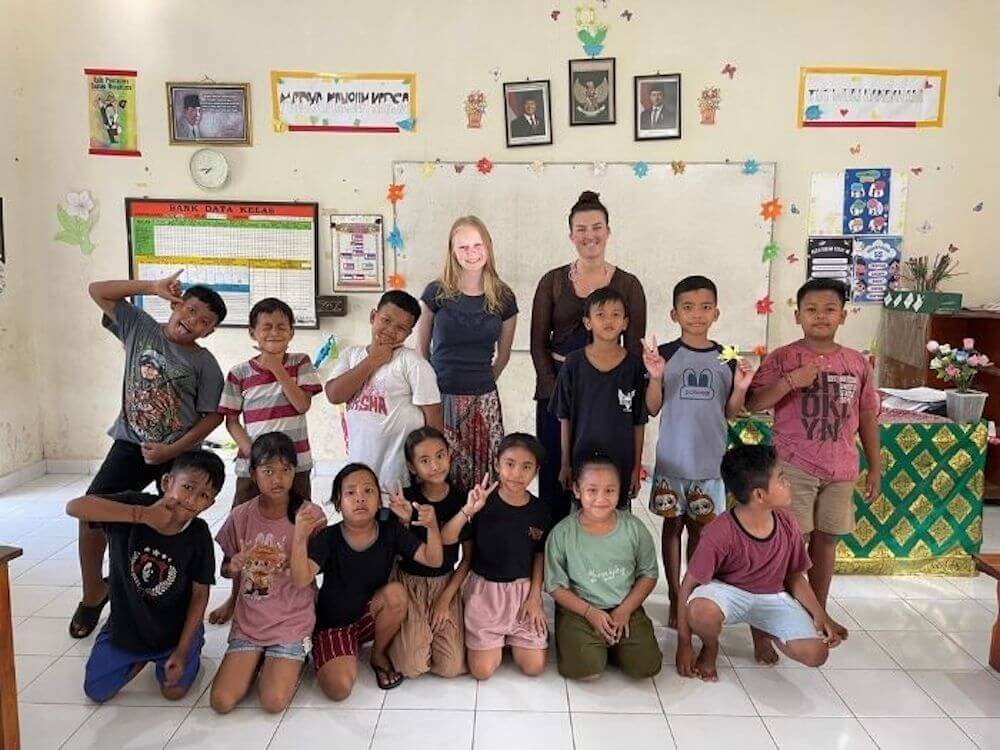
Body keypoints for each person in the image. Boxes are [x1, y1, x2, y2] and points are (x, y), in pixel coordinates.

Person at [70, 270, 226, 639]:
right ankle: (94, 591)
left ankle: (162, 599)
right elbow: (97, 289)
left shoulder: (205, 364)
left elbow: (213, 416)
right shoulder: (140, 327)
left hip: (179, 453)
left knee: (173, 523)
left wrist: (173, 450)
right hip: (130, 444)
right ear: (176, 306)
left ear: (209, 332)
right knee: (92, 513)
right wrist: (150, 288)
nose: (193, 321)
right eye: (190, 310)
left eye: (204, 321)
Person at [746, 278, 880, 648]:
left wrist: (876, 467)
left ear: (843, 315)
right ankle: (777, 613)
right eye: (812, 309)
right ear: (797, 315)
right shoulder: (784, 358)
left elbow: (867, 416)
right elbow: (753, 403)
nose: (820, 316)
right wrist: (791, 381)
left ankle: (817, 611)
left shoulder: (856, 363)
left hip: (841, 469)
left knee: (826, 543)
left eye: (829, 309)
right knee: (789, 544)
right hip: (793, 468)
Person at [65, 449, 225, 703]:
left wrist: (182, 651)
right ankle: (137, 658)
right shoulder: (133, 504)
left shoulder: (198, 534)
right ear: (166, 483)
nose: (191, 499)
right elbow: (75, 507)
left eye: (203, 495)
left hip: (173, 632)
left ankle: (189, 643)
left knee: (174, 692)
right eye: (187, 487)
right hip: (127, 624)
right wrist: (141, 515)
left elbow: (199, 595)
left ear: (210, 504)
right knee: (96, 691)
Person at [643, 275, 754, 628]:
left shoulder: (727, 358)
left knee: (702, 533)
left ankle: (692, 593)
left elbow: (731, 412)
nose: (696, 315)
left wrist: (740, 388)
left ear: (716, 313)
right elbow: (651, 408)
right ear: (674, 314)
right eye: (687, 308)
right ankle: (675, 598)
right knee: (672, 527)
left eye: (705, 307)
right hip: (673, 462)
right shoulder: (664, 355)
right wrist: (656, 378)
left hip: (711, 466)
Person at [675, 444, 841, 681]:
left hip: (771, 597)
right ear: (760, 495)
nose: (788, 484)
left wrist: (819, 615)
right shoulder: (719, 532)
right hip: (729, 594)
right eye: (782, 479)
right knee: (701, 611)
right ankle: (710, 646)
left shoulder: (787, 522)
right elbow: (688, 585)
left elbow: (795, 576)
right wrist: (684, 644)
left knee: (816, 654)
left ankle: (763, 630)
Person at [531, 191, 647, 522]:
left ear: (608, 231)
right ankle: (556, 555)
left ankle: (607, 553)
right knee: (558, 474)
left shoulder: (628, 284)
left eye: (596, 227)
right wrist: (558, 391)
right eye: (581, 229)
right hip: (559, 391)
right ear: (571, 235)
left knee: (606, 480)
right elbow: (538, 343)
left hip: (609, 396)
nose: (589, 235)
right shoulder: (552, 281)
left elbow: (635, 349)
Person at [209, 297, 322, 625]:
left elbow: (301, 405)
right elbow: (231, 421)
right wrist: (252, 455)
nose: (274, 332)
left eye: (281, 327)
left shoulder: (301, 363)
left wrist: (276, 368)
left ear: (291, 332)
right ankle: (235, 596)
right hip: (251, 468)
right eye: (266, 327)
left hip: (295, 466)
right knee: (242, 530)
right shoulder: (239, 372)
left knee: (302, 525)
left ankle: (307, 588)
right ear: (252, 332)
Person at [290, 463, 443, 697]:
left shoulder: (390, 529)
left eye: (368, 491)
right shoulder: (329, 537)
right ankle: (333, 651)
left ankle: (378, 654)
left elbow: (433, 560)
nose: (360, 498)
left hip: (370, 617)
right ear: (338, 503)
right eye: (350, 493)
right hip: (335, 625)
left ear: (379, 501)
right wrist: (300, 539)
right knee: (338, 689)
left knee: (395, 594)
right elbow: (301, 581)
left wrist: (432, 526)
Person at [209, 433, 322, 714]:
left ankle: (290, 657)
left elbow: (315, 573)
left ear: (294, 472)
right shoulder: (241, 516)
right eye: (268, 470)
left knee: (273, 702)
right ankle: (258, 658)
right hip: (250, 622)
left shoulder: (310, 515)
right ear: (254, 473)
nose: (278, 479)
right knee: (221, 702)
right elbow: (226, 568)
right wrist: (233, 565)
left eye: (285, 470)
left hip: (291, 620)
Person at [416, 217, 517, 491]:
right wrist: (435, 390)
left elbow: (503, 356)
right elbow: (422, 351)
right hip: (440, 398)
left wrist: (479, 382)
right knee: (441, 478)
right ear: (452, 251)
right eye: (463, 247)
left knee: (484, 478)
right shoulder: (435, 293)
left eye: (477, 245)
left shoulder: (504, 296)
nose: (471, 253)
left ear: (488, 247)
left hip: (483, 401)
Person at [442, 433, 550, 680]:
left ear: (536, 471)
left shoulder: (540, 510)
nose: (517, 473)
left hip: (522, 594)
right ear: (497, 463)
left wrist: (534, 597)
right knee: (482, 672)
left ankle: (515, 636)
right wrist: (468, 511)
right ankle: (497, 637)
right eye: (510, 464)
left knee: (534, 667)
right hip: (485, 593)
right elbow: (448, 539)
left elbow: (539, 555)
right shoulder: (482, 503)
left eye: (526, 467)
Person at [545, 455, 661, 680]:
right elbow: (555, 586)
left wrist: (625, 610)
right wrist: (590, 613)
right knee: (586, 670)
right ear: (577, 491)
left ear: (620, 491)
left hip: (623, 605)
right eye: (592, 490)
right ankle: (590, 642)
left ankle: (614, 645)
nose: (601, 499)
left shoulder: (634, 529)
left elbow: (648, 574)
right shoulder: (562, 533)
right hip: (580, 609)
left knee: (646, 667)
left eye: (610, 491)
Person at [326, 290, 443, 491]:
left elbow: (433, 420)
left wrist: (429, 472)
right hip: (359, 474)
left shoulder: (413, 363)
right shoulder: (351, 355)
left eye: (401, 328)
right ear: (373, 316)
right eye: (386, 320)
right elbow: (334, 395)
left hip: (399, 477)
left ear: (408, 334)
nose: (390, 330)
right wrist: (373, 360)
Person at [385, 427, 474, 678]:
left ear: (449, 456)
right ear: (412, 467)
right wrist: (403, 522)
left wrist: (445, 600)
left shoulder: (462, 500)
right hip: (408, 581)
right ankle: (409, 633)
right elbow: (396, 552)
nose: (435, 465)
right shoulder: (406, 500)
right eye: (424, 461)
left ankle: (430, 630)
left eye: (440, 456)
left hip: (446, 582)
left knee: (452, 667)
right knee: (411, 666)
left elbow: (467, 559)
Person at [551, 287, 647, 506]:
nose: (609, 320)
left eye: (616, 314)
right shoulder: (573, 364)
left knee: (618, 518)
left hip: (621, 463)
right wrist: (566, 463)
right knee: (583, 516)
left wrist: (635, 467)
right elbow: (564, 417)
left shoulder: (634, 366)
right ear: (588, 322)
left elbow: (639, 422)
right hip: (582, 461)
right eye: (600, 314)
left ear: (625, 322)